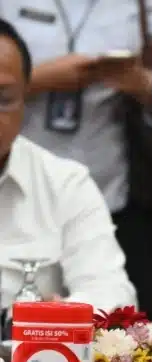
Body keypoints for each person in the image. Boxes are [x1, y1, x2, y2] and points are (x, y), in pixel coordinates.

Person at [3, 0, 152, 317]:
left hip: (110, 181)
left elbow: (112, 295)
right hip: (25, 157)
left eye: (5, 99)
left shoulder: (150, 6)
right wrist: (43, 78)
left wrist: (137, 81)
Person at [0, 18, 136, 311]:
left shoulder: (65, 184)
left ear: (24, 99)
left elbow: (113, 295)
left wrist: (49, 319)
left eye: (4, 99)